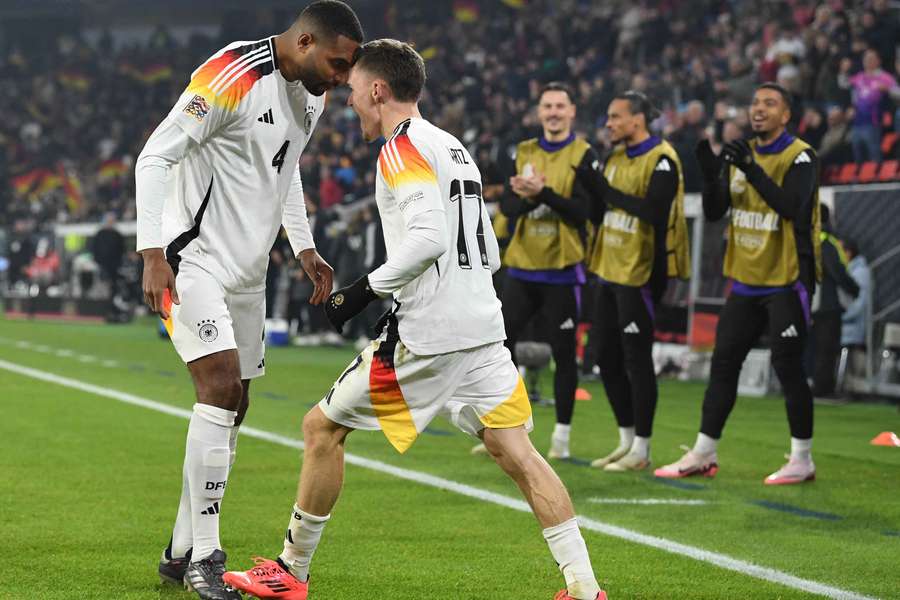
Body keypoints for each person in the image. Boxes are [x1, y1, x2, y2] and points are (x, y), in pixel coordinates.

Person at [222, 39, 606, 600]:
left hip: (430, 335)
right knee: (517, 453)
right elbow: (489, 252)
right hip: (482, 328)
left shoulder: (401, 149)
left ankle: (291, 571)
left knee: (321, 428)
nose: (349, 102)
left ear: (378, 89)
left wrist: (357, 295)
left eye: (352, 91)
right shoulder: (453, 147)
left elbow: (427, 239)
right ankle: (584, 585)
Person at [134, 3, 362, 598]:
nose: (341, 79)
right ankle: (207, 558)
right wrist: (153, 251)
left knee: (235, 406)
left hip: (248, 273)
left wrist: (305, 246)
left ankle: (181, 547)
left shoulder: (309, 97)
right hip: (193, 259)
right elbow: (156, 156)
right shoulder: (233, 71)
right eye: (337, 64)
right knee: (219, 388)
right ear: (306, 39)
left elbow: (285, 171)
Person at [655, 83, 822, 485]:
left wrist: (750, 169)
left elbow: (793, 210)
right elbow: (714, 213)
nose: (758, 109)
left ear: (786, 116)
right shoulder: (740, 152)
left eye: (770, 104)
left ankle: (802, 458)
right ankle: (703, 452)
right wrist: (710, 176)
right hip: (745, 281)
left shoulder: (799, 155)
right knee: (723, 364)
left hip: (786, 279)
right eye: (755, 103)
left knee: (788, 366)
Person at [490, 82, 601, 459]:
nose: (553, 112)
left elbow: (585, 213)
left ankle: (562, 439)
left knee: (565, 355)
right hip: (522, 268)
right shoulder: (524, 151)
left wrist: (543, 194)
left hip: (562, 271)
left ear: (572, 111)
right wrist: (524, 196)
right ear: (539, 113)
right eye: (547, 106)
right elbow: (507, 206)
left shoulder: (584, 155)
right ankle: (505, 430)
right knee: (499, 348)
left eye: (560, 106)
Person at [578, 91, 686, 472]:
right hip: (608, 266)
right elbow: (603, 210)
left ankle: (643, 447)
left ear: (637, 119)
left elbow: (654, 212)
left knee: (636, 358)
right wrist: (589, 189)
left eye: (615, 116)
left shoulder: (662, 160)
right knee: (605, 357)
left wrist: (601, 188)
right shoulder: (615, 157)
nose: (608, 124)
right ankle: (626, 441)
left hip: (642, 271)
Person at [808, 204, 859, 397]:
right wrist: (854, 289)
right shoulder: (826, 242)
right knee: (826, 348)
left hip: (811, 301)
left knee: (816, 347)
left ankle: (816, 385)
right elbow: (837, 272)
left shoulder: (808, 239)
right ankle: (823, 389)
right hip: (826, 303)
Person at [841, 238, 871, 348]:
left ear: (848, 253)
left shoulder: (860, 272)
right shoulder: (850, 270)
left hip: (852, 330)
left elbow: (859, 304)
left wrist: (841, 316)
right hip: (847, 329)